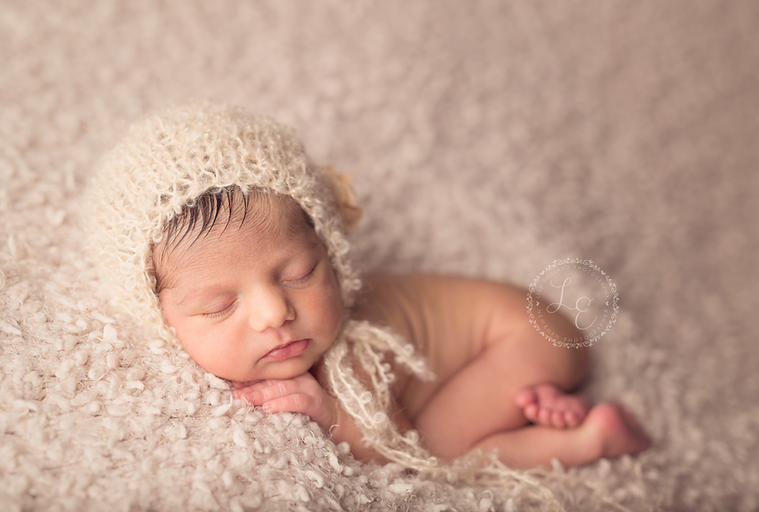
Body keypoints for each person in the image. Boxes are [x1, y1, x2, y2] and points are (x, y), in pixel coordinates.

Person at [86, 102, 650, 471]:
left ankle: (590, 440)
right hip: (512, 337)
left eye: (299, 274)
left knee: (441, 447)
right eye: (219, 306)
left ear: (331, 254)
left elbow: (398, 449)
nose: (274, 312)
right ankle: (528, 404)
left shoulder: (351, 356)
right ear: (159, 317)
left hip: (522, 336)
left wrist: (332, 413)